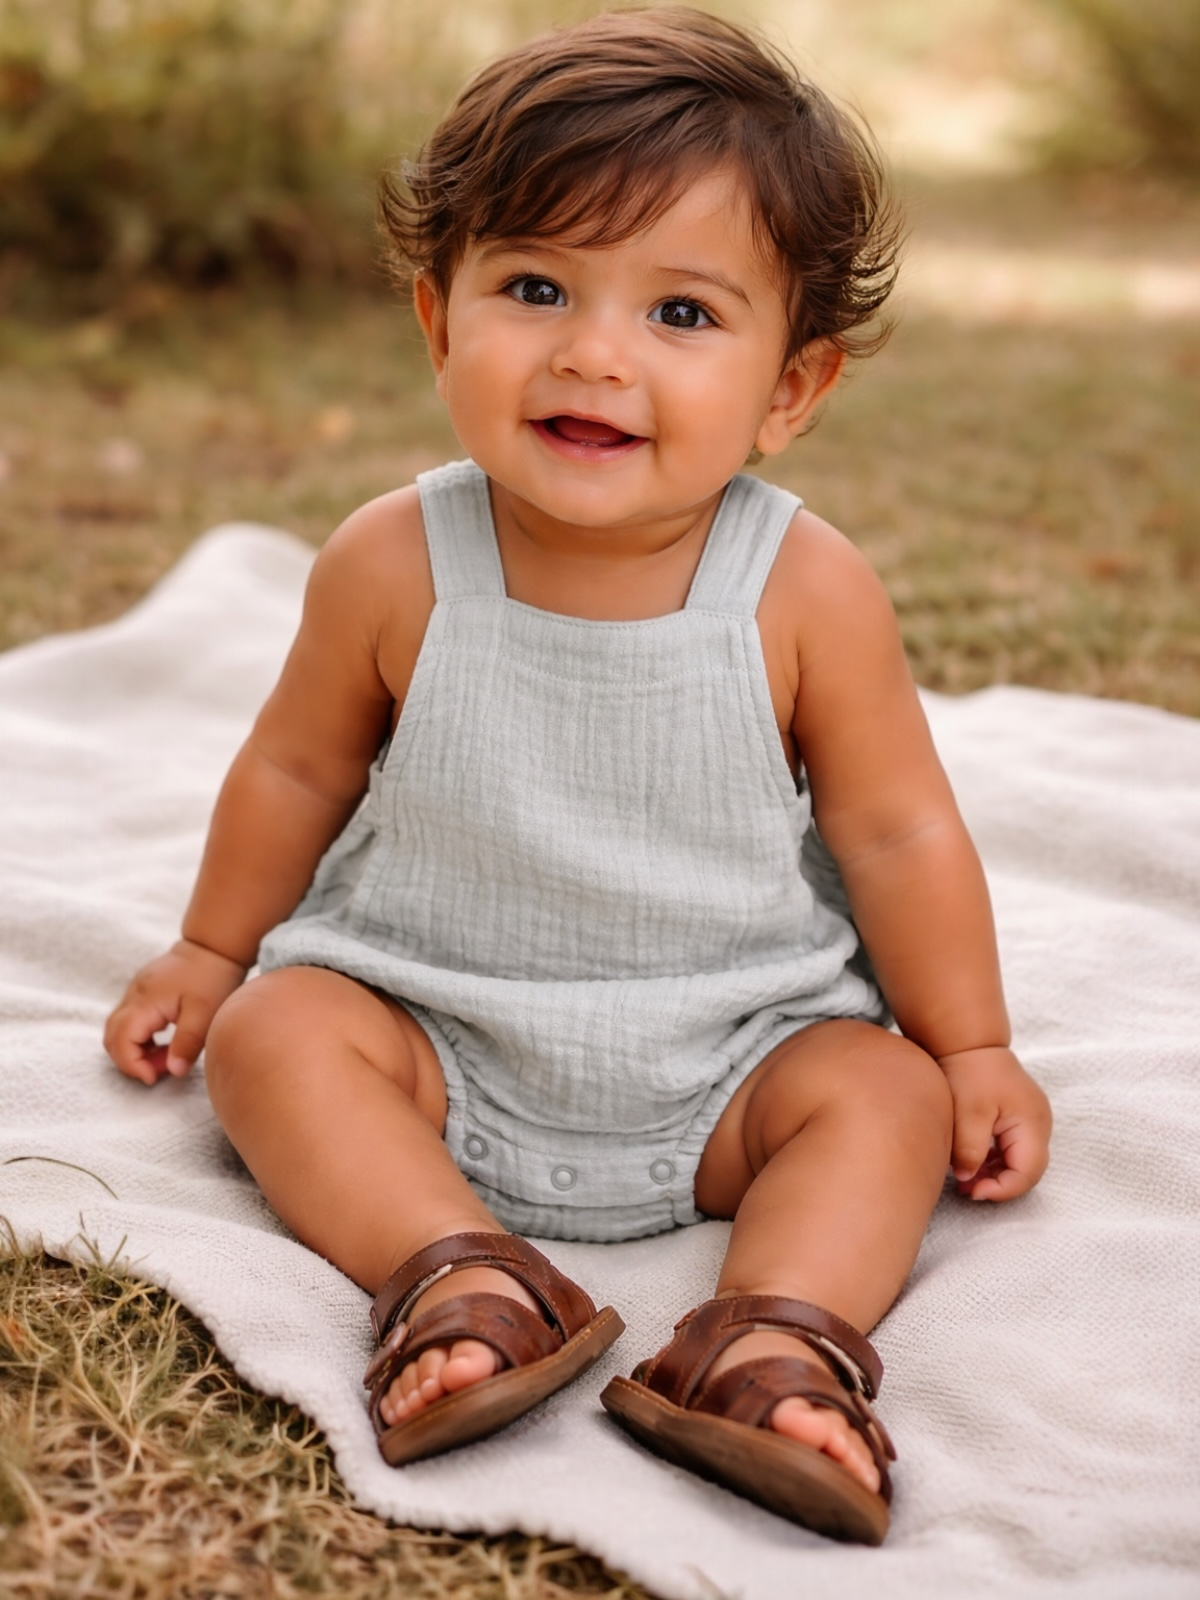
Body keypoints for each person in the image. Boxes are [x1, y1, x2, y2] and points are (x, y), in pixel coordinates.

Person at [104, 6, 1052, 1545]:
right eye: (535, 287)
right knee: (279, 1037)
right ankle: (462, 1275)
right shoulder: (394, 559)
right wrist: (213, 953)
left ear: (791, 388)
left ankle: (774, 1340)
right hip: (434, 1032)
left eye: (683, 315)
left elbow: (896, 831)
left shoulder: (803, 589)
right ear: (438, 320)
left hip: (734, 1054)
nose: (595, 354)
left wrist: (975, 1044)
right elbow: (294, 768)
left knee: (876, 1098)